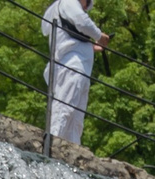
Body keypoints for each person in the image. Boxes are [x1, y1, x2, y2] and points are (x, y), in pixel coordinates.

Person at [41, 0, 109, 147]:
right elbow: (81, 21)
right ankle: (52, 144)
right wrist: (99, 36)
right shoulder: (68, 1)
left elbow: (70, 39)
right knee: (65, 107)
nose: (85, 7)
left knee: (76, 117)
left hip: (79, 68)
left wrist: (90, 46)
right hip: (72, 67)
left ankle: (71, 149)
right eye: (87, 3)